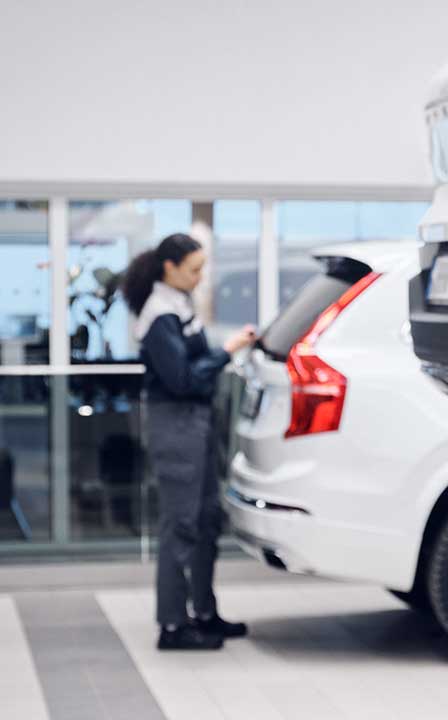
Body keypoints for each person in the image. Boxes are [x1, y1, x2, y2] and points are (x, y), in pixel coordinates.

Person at [122, 233, 257, 650]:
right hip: (175, 423)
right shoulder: (159, 312)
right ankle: (173, 626)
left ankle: (203, 612)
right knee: (180, 524)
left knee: (205, 519)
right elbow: (181, 378)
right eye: (194, 269)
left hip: (195, 422)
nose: (201, 277)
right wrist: (227, 351)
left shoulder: (179, 305)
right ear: (170, 268)